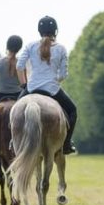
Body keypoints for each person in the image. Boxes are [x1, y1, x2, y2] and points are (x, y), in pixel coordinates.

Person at [16, 15, 77, 154]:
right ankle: (67, 144)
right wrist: (55, 81)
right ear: (55, 31)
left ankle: (12, 141)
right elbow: (63, 75)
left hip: (31, 88)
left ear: (39, 31)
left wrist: (24, 85)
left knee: (15, 112)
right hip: (52, 90)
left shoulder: (30, 46)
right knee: (73, 111)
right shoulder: (61, 48)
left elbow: (20, 67)